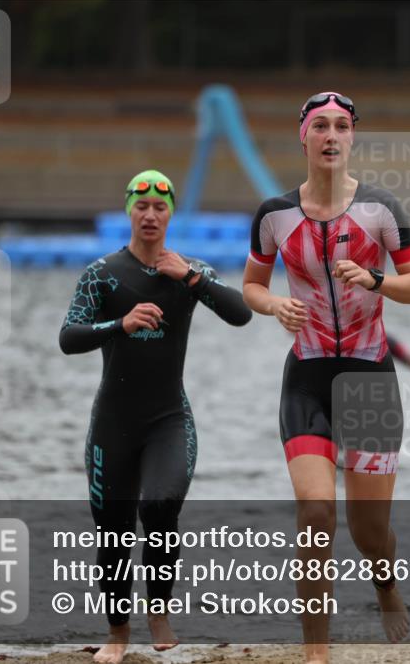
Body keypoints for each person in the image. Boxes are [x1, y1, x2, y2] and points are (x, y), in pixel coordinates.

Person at [242, 92, 410, 664]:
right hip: (307, 377)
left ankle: (385, 585)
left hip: (371, 376)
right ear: (303, 137)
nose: (330, 135)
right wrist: (274, 306)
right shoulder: (274, 214)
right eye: (320, 126)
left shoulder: (379, 209)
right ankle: (316, 652)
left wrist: (375, 280)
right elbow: (251, 286)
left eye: (341, 127)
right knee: (316, 510)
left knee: (369, 531)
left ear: (352, 139)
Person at [59, 170, 251, 664]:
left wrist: (186, 275)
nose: (150, 214)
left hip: (168, 419)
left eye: (159, 207)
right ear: (129, 209)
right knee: (113, 531)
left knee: (161, 505)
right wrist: (119, 323)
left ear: (171, 214)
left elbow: (241, 313)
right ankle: (118, 634)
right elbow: (68, 337)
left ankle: (159, 611)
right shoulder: (102, 273)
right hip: (112, 425)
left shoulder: (190, 271)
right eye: (141, 205)